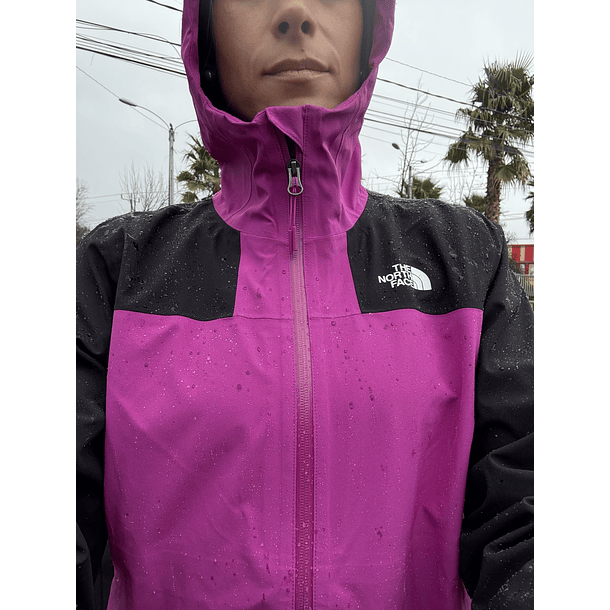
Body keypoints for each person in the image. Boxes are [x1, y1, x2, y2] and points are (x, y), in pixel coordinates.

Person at [76, 1, 534, 608]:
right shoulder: (116, 271)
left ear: (370, 25)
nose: (294, 12)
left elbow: (527, 514)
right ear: (205, 31)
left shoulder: (466, 262)